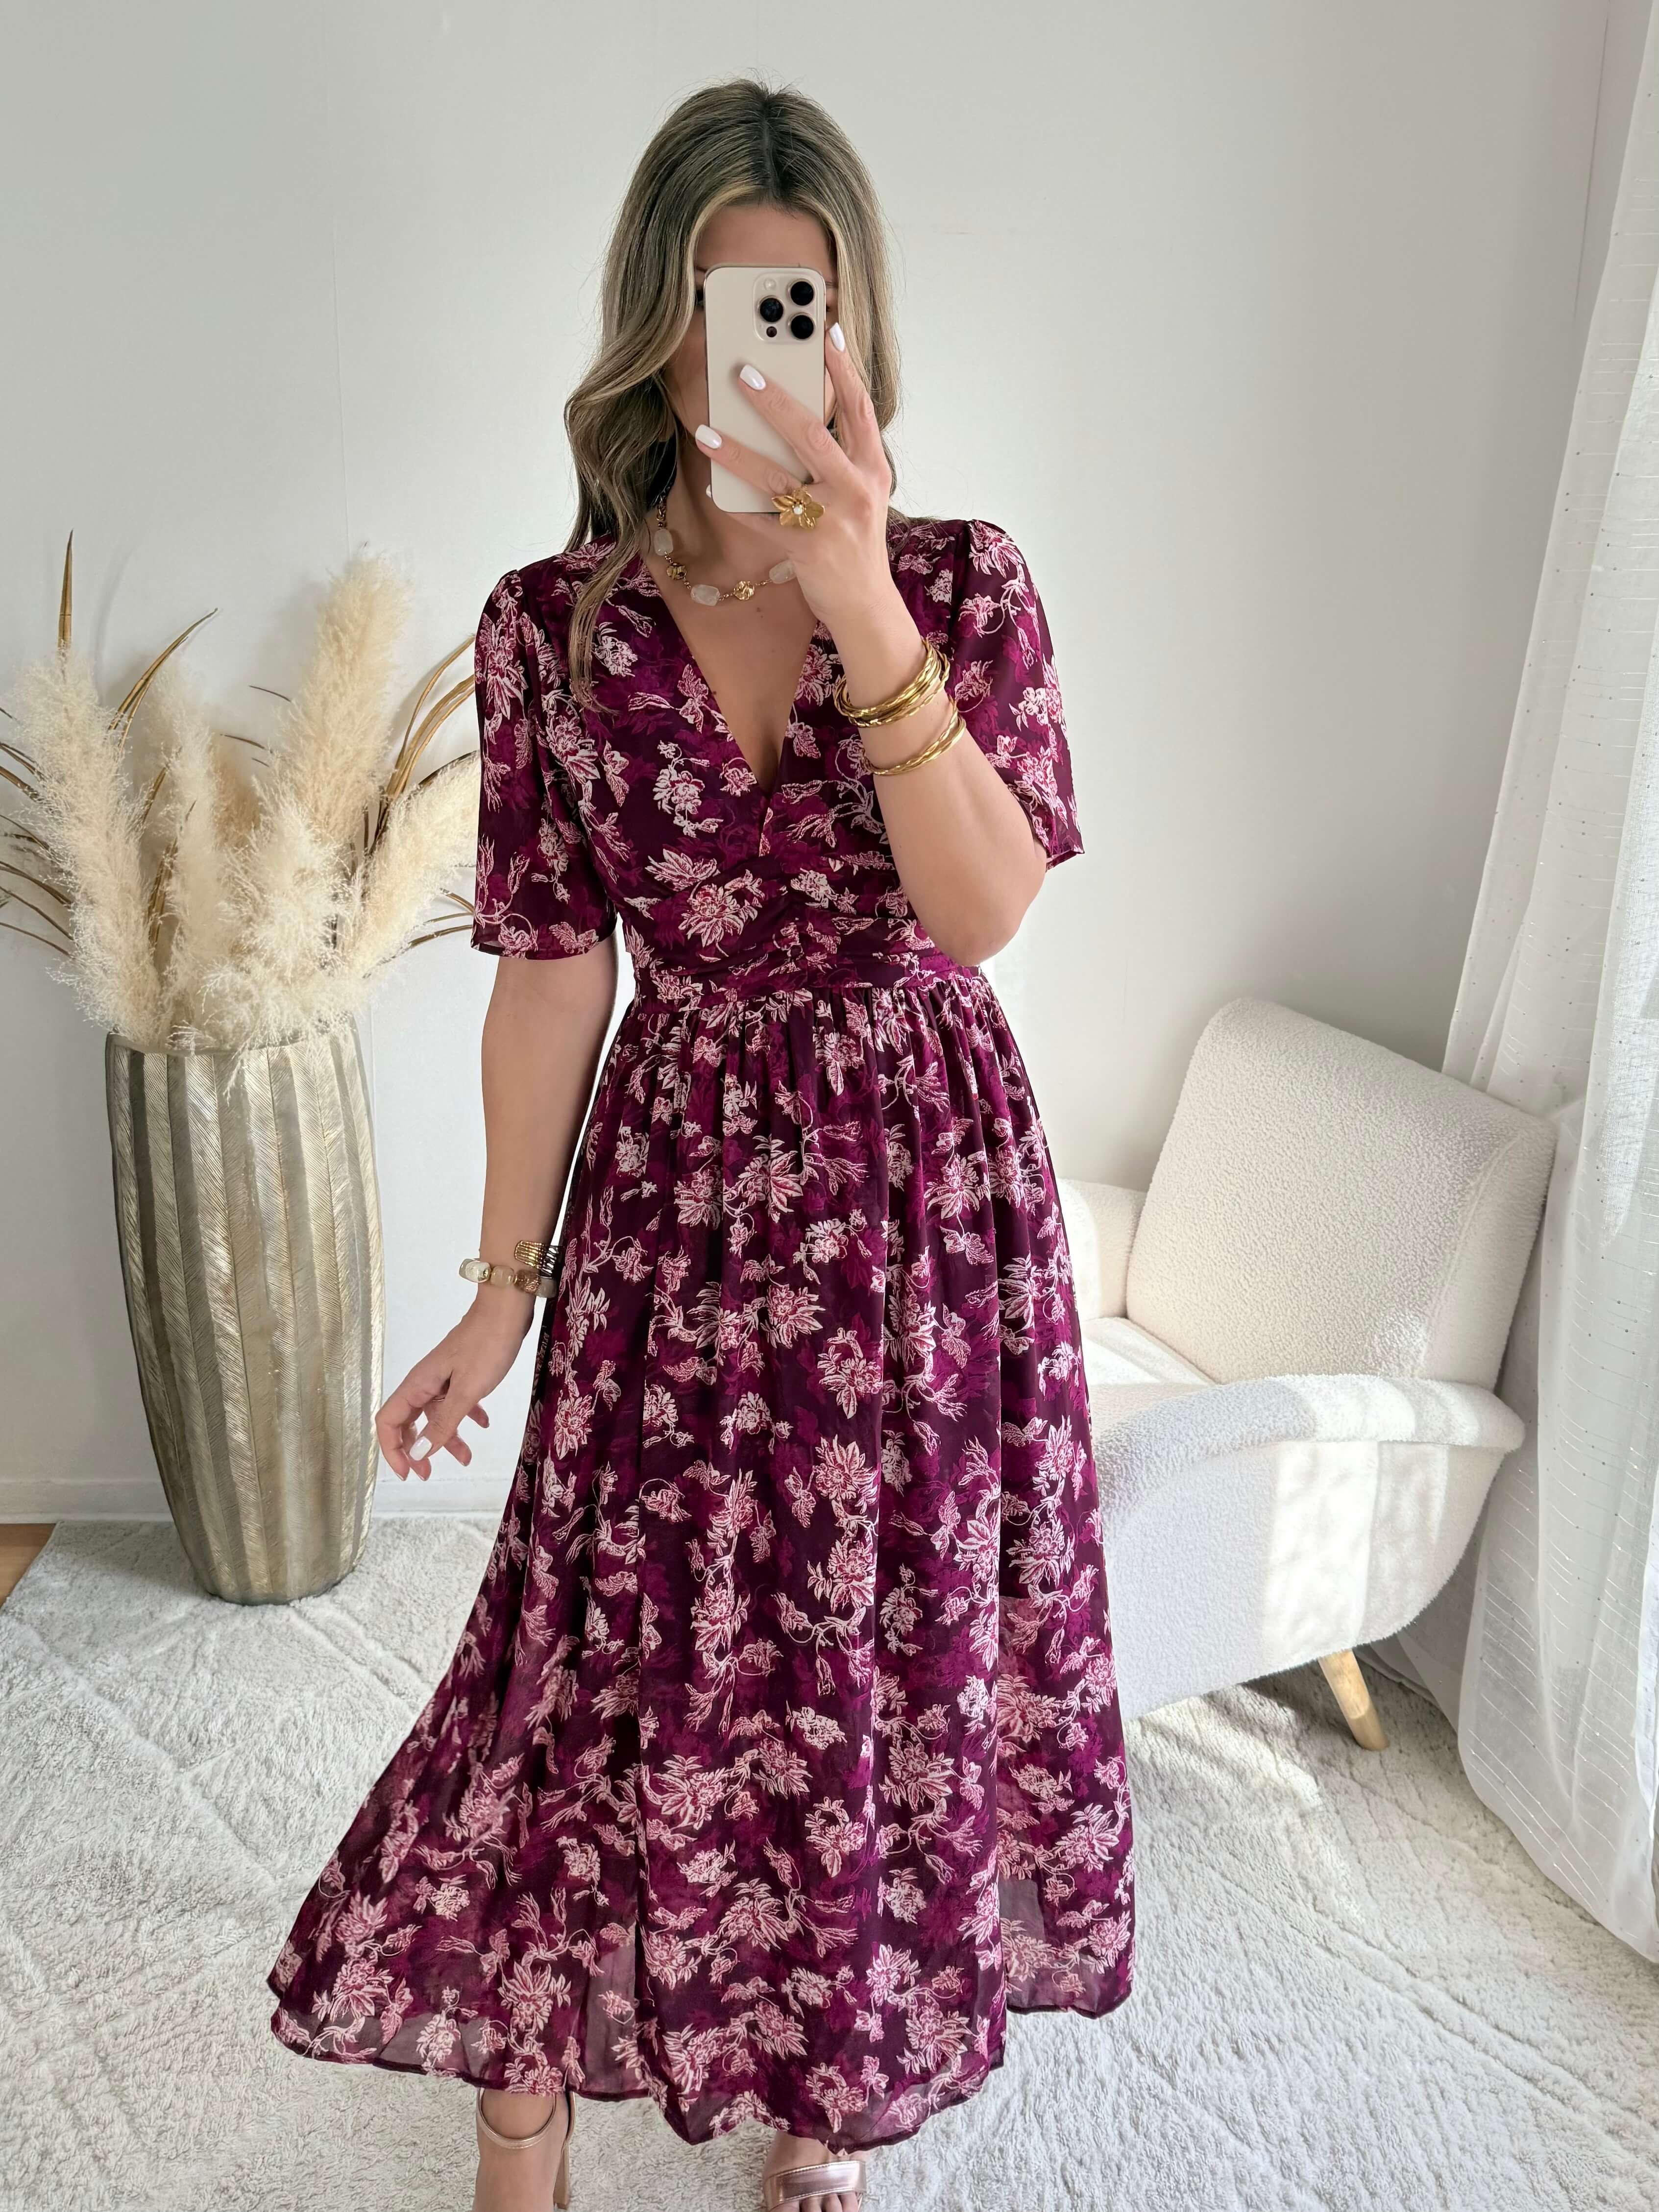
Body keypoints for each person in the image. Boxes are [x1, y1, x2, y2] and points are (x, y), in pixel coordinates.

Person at [266, 74, 1136, 2212]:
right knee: (605, 1641)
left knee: (873, 1644)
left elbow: (983, 910)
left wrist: (862, 604)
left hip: (922, 1207)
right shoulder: (551, 628)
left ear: (856, 325)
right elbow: (550, 973)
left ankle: (820, 2086)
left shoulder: (960, 585)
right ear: (654, 327)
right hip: (676, 1205)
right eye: (723, 303)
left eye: (800, 306)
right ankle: (526, 2089)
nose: (762, 349)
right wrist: (498, 1292)